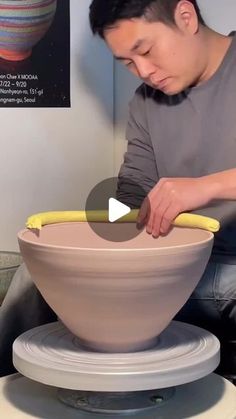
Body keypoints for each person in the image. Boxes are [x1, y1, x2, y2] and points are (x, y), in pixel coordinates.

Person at [89, 0, 236, 382]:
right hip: (178, 268)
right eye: (127, 63)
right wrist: (109, 224)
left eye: (146, 51)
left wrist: (209, 187)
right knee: (34, 280)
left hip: (227, 268)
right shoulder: (145, 102)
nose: (145, 72)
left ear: (185, 18)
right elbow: (132, 196)